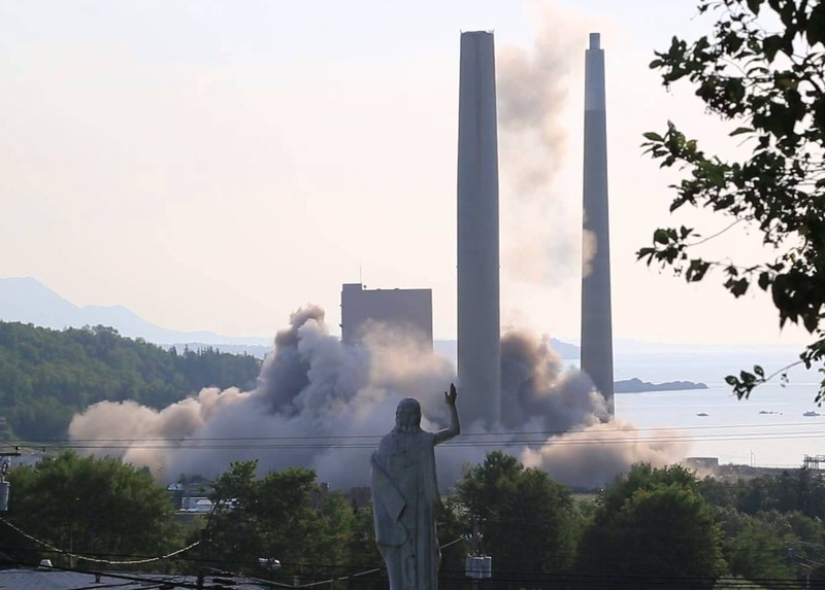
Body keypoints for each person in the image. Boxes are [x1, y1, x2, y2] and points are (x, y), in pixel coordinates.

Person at [370, 384, 461, 590]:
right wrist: (393, 506)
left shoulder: (423, 440)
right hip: (399, 513)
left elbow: (455, 430)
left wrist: (451, 406)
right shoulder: (387, 444)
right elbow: (378, 478)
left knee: (422, 558)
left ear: (416, 416)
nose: (404, 417)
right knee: (401, 559)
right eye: (401, 413)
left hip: (420, 509)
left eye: (407, 413)